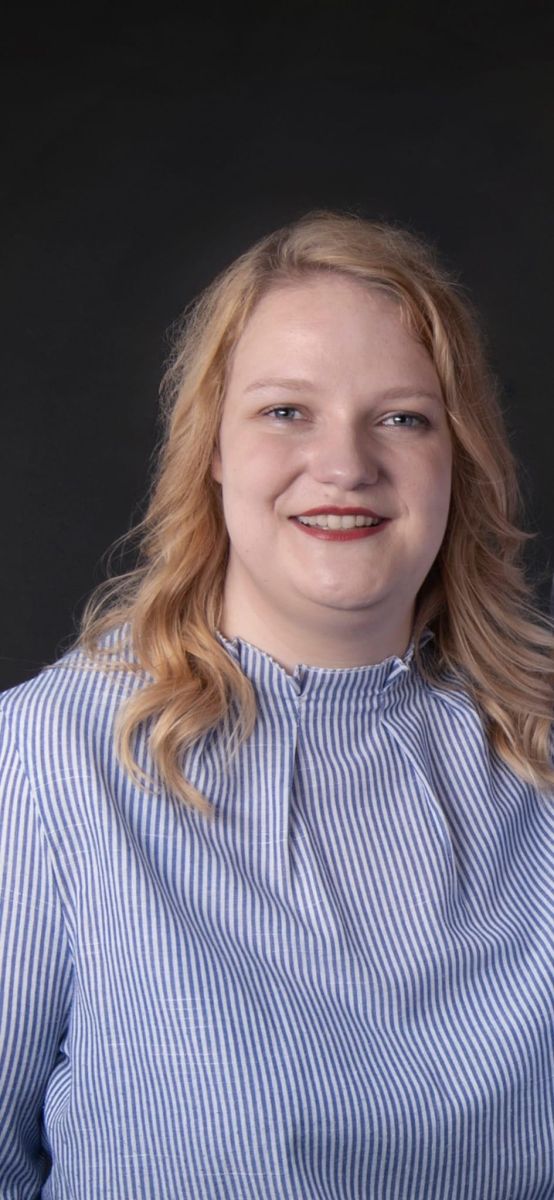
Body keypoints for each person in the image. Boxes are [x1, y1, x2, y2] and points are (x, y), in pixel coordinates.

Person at [1, 210, 553, 1199]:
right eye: (286, 411)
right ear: (210, 447)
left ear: (458, 456)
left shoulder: (538, 751)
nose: (344, 466)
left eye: (402, 417)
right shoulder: (50, 758)